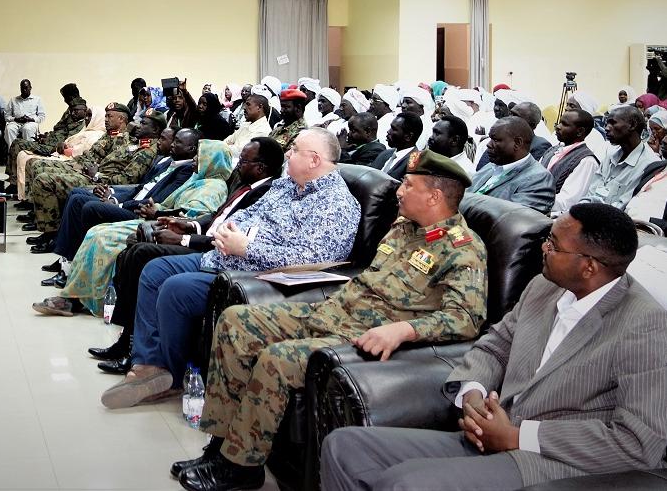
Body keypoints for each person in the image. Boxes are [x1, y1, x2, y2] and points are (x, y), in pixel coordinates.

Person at [174, 150, 487, 491]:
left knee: (278, 360)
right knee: (235, 321)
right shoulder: (403, 227)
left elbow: (466, 317)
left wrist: (405, 330)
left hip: (363, 337)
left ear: (434, 196)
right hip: (333, 312)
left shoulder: (463, 249)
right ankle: (221, 446)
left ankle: (240, 466)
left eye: (409, 185)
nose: (399, 191)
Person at [321, 203, 667, 491]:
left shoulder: (644, 325)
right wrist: (472, 395)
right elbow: (495, 346)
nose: (544, 248)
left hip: (548, 462)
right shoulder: (542, 287)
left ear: (589, 267)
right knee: (346, 447)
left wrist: (518, 436)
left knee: (404, 483)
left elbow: (639, 441)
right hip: (488, 433)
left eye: (554, 244)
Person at [99, 128, 362, 411]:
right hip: (225, 256)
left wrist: (247, 248)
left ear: (314, 160)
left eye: (295, 149)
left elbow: (312, 259)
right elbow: (248, 214)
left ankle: (171, 377)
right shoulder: (287, 185)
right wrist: (227, 230)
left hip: (254, 276)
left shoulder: (336, 204)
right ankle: (149, 365)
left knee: (176, 289)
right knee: (155, 270)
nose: (288, 153)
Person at [89, 137, 284, 375]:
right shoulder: (245, 185)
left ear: (260, 167)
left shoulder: (266, 192)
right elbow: (217, 217)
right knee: (133, 251)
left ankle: (132, 348)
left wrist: (184, 239)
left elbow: (231, 236)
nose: (237, 166)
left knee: (142, 254)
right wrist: (188, 225)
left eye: (243, 161)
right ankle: (127, 339)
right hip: (204, 238)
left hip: (215, 250)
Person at [33, 139, 233, 316]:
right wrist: (157, 210)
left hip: (167, 227)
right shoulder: (198, 180)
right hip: (157, 219)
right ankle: (73, 293)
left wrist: (157, 213)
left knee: (103, 238)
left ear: (212, 160)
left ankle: (82, 300)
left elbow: (194, 215)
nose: (195, 159)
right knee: (96, 230)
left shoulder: (213, 187)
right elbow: (168, 202)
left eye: (200, 155)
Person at [39, 127, 196, 283]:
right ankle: (66, 259)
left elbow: (156, 200)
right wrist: (112, 195)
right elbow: (140, 187)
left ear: (192, 148)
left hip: (139, 212)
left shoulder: (186, 170)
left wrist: (119, 204)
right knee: (76, 194)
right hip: (130, 200)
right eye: (173, 140)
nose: (173, 144)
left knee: (88, 207)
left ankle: (72, 267)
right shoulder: (168, 161)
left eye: (178, 142)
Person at [25, 105, 162, 249]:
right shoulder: (133, 142)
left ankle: (51, 234)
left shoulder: (147, 151)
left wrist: (96, 175)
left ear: (155, 130)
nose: (138, 126)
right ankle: (52, 232)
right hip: (93, 174)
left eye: (143, 123)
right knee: (40, 169)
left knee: (44, 180)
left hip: (102, 183)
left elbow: (126, 180)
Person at [580, 105, 661, 210]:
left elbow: (624, 208)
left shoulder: (649, 165)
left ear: (632, 125)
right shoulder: (610, 155)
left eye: (613, 123)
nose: (606, 128)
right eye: (607, 123)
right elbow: (590, 194)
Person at [468, 117, 556, 214]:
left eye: (496, 140)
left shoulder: (539, 179)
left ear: (517, 143)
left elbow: (513, 217)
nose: (488, 144)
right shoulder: (492, 166)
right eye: (490, 139)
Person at [5, 84, 86, 187]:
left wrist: (49, 141)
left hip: (52, 148)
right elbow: (58, 129)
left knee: (18, 144)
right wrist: (46, 136)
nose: (64, 100)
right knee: (17, 143)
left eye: (65, 97)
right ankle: (13, 181)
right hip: (48, 142)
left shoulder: (79, 116)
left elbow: (68, 140)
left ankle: (13, 183)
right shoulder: (71, 111)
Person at [13, 101, 95, 202]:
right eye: (72, 111)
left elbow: (78, 151)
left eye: (89, 116)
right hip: (60, 152)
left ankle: (30, 199)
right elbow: (61, 134)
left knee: (33, 162)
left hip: (68, 158)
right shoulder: (84, 129)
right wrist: (48, 137)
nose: (86, 118)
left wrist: (62, 147)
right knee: (22, 154)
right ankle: (23, 194)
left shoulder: (93, 133)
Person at [539, 109, 600, 215]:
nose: (558, 127)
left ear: (580, 131)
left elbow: (567, 202)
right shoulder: (553, 150)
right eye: (559, 122)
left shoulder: (586, 161)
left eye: (564, 124)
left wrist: (532, 198)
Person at [370, 112, 423, 181]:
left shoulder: (415, 163)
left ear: (408, 136)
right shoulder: (385, 153)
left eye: (394, 129)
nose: (388, 131)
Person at [223, 93, 272, 160]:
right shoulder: (246, 124)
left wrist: (225, 147)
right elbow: (228, 141)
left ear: (259, 107)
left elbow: (240, 152)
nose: (244, 108)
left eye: (248, 104)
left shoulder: (263, 130)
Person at [3, 79, 46, 148]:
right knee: (9, 129)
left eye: (26, 88)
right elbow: (7, 116)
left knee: (27, 128)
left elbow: (42, 116)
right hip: (16, 122)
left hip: (30, 123)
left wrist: (31, 119)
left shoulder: (37, 99)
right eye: (22, 88)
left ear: (30, 88)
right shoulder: (13, 100)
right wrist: (16, 119)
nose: (24, 90)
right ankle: (12, 151)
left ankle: (27, 151)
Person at [400, 86, 435, 150]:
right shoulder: (402, 123)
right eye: (403, 102)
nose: (403, 105)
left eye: (408, 102)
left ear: (421, 106)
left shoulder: (427, 127)